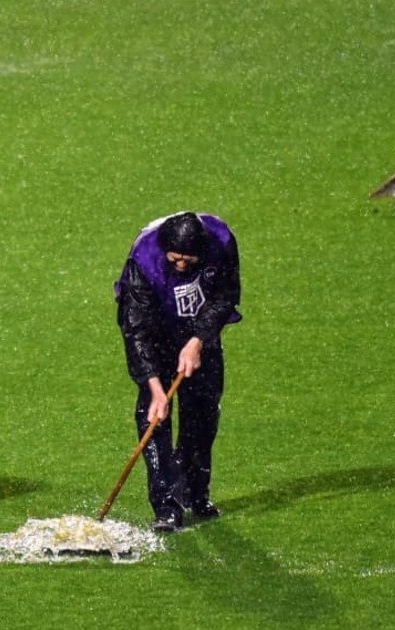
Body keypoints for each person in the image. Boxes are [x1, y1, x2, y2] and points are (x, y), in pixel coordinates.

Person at [115, 212, 241, 531]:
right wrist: (156, 389)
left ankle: (195, 494)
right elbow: (135, 331)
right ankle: (166, 507)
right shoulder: (143, 263)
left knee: (203, 414)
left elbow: (225, 295)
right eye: (175, 260)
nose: (182, 266)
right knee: (154, 418)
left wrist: (198, 340)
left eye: (189, 260)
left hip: (199, 332)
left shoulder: (222, 241)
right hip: (156, 331)